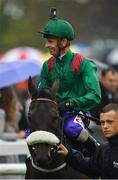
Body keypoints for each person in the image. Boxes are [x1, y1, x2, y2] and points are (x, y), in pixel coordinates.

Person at [38, 8, 101, 143]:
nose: (46, 45)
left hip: (76, 113)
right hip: (51, 114)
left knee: (73, 129)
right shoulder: (46, 66)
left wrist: (72, 103)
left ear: (64, 42)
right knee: (29, 133)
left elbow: (95, 95)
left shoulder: (83, 63)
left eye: (50, 41)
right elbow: (40, 93)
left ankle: (95, 151)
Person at [57, 103, 118, 179]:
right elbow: (89, 167)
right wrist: (69, 154)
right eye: (102, 122)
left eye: (110, 122)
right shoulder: (103, 149)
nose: (105, 126)